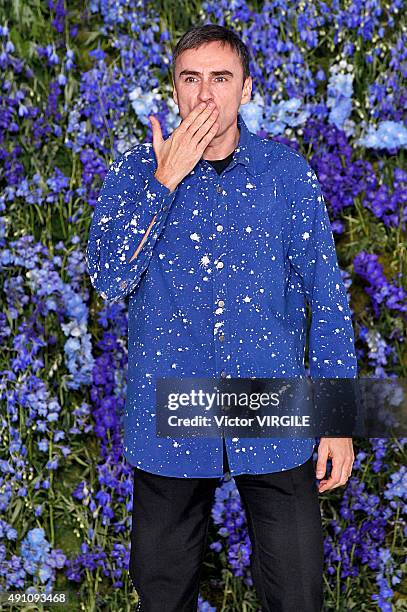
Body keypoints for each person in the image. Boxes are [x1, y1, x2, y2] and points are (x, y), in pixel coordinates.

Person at [86, 23, 357, 612]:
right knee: (162, 595)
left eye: (221, 78)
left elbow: (325, 300)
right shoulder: (135, 174)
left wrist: (337, 418)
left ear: (247, 88)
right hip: (171, 414)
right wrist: (164, 181)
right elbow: (107, 280)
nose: (206, 95)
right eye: (191, 79)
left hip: (273, 407)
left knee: (299, 594)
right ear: (172, 90)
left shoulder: (288, 176)